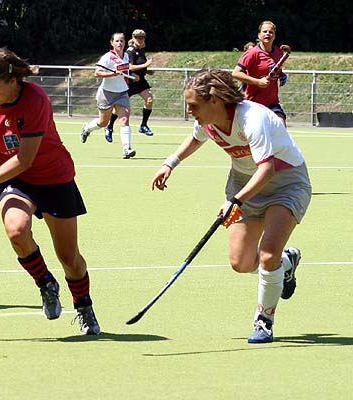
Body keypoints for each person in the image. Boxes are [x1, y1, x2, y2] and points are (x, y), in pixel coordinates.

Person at [0, 47, 100, 335]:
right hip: (15, 181)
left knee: (69, 258)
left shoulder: (36, 99)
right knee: (16, 231)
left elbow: (24, 159)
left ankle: (83, 305)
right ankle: (45, 283)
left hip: (54, 177)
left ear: (13, 81)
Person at [151, 69, 311, 343]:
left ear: (214, 100)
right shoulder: (207, 120)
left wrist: (235, 201)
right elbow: (196, 137)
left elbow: (267, 170)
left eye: (193, 105)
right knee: (241, 262)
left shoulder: (252, 118)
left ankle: (264, 320)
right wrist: (170, 163)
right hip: (243, 182)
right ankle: (286, 263)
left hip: (286, 182)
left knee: (268, 254)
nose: (189, 111)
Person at [80, 32, 138, 159]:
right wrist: (112, 74)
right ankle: (87, 129)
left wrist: (132, 75)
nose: (119, 43)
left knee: (124, 120)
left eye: (122, 41)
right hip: (107, 94)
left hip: (122, 93)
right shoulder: (107, 57)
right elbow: (97, 73)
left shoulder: (126, 56)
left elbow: (125, 71)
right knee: (103, 122)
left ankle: (126, 149)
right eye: (117, 41)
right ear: (112, 43)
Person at [232, 21, 290, 125]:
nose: (268, 34)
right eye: (265, 31)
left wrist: (282, 75)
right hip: (253, 104)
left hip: (272, 103)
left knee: (281, 125)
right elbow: (236, 73)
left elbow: (276, 69)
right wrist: (257, 82)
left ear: (274, 36)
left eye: (271, 32)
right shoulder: (252, 53)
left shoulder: (279, 53)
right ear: (259, 35)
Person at [105, 29, 155, 141]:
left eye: (142, 38)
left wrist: (147, 71)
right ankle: (109, 126)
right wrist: (145, 65)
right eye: (138, 38)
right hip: (130, 82)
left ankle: (143, 125)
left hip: (140, 82)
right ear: (133, 38)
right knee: (118, 108)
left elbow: (139, 65)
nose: (140, 40)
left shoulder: (141, 50)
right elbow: (129, 67)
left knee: (149, 99)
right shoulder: (130, 51)